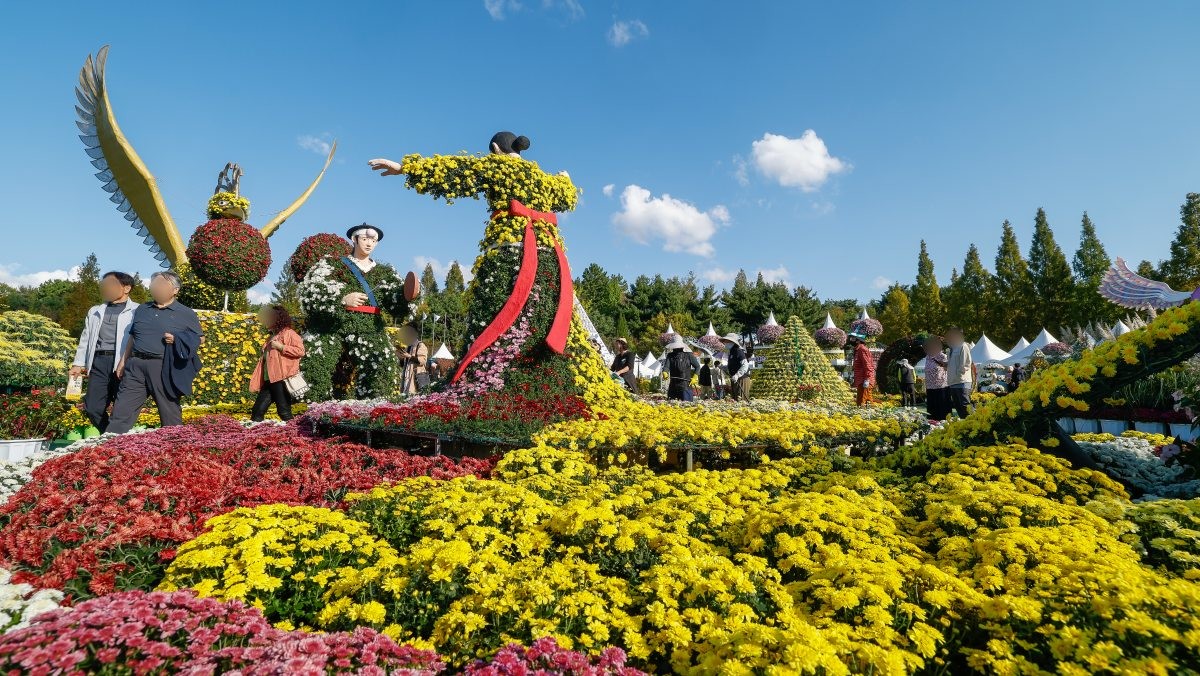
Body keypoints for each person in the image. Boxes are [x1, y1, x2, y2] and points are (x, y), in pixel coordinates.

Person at [297, 224, 419, 400]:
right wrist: (343, 298)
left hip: (371, 327)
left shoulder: (385, 272)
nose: (369, 243)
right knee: (317, 362)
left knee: (381, 365)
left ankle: (372, 409)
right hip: (332, 326)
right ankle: (313, 409)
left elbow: (396, 303)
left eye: (373, 240)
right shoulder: (332, 264)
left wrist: (408, 296)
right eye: (365, 239)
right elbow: (310, 291)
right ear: (354, 239)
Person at [107, 271, 203, 433]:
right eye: (154, 284)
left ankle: (176, 449)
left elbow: (200, 339)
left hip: (163, 366)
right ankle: (109, 448)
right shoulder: (143, 309)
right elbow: (133, 336)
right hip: (135, 366)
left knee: (169, 413)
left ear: (175, 290)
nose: (156, 288)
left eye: (161, 284)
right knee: (121, 411)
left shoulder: (186, 313)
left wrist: (177, 339)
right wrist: (123, 361)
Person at [70, 271, 137, 432]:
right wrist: (78, 364)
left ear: (126, 288)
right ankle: (111, 437)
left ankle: (114, 440)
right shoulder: (95, 311)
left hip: (124, 362)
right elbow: (85, 339)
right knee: (92, 407)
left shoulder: (138, 311)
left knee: (121, 409)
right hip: (99, 362)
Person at [248, 305, 305, 422]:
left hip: (281, 380)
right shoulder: (271, 337)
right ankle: (254, 437)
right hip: (269, 380)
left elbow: (300, 351)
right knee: (257, 411)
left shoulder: (289, 333)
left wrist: (281, 347)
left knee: (284, 412)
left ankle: (295, 436)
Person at [945, 326, 974, 418]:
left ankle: (973, 422)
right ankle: (964, 425)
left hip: (962, 381)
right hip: (952, 381)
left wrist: (960, 371)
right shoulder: (951, 349)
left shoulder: (963, 346)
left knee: (965, 405)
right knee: (958, 406)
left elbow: (967, 362)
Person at [665, 337, 700, 401]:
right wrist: (665, 372)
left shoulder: (689, 355)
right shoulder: (670, 356)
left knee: (686, 406)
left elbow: (697, 366)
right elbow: (666, 366)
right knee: (672, 406)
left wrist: (695, 377)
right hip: (673, 385)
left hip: (685, 385)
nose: (677, 348)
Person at [399, 325, 431, 395]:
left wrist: (409, 356)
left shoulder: (420, 345)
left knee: (416, 395)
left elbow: (422, 361)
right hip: (406, 377)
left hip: (416, 376)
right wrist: (401, 358)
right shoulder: (408, 346)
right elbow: (402, 365)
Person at [923, 336, 949, 421]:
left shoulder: (943, 356)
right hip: (930, 387)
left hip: (941, 387)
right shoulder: (928, 357)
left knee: (942, 410)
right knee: (931, 410)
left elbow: (947, 368)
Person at [720, 333, 751, 401]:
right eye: (725, 341)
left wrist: (737, 375)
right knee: (735, 399)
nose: (725, 343)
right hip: (735, 379)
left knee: (741, 400)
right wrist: (724, 367)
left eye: (727, 341)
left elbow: (745, 365)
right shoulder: (731, 352)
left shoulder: (738, 351)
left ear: (732, 342)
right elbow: (733, 366)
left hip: (742, 378)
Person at [849, 333, 876, 406]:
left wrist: (867, 379)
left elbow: (867, 364)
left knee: (862, 403)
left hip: (865, 380)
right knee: (864, 402)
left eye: (853, 339)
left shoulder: (862, 349)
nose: (851, 340)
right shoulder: (857, 350)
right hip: (861, 380)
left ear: (858, 340)